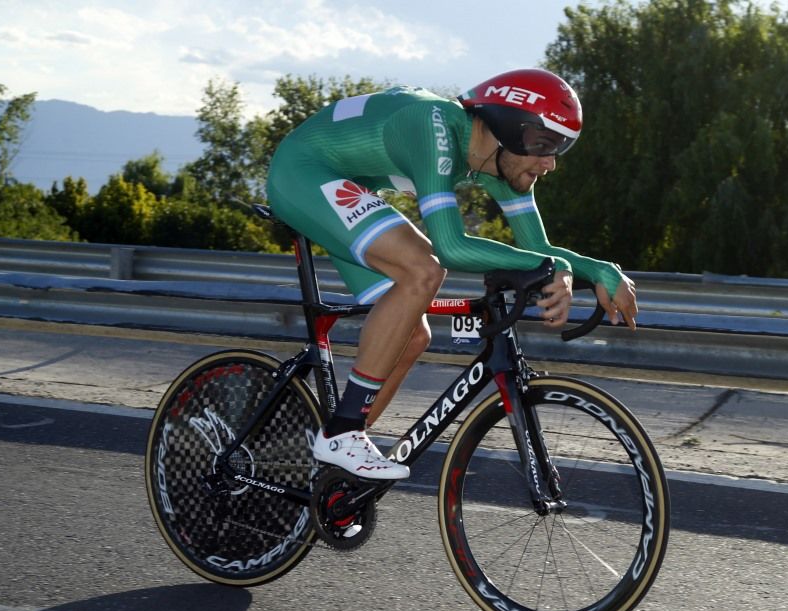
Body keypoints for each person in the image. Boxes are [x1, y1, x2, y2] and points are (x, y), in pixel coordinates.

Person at [266, 68, 638, 480]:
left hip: (344, 184)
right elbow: (449, 246)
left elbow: (538, 250)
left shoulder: (502, 165)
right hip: (303, 172)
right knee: (424, 270)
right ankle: (342, 433)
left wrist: (601, 271)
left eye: (560, 149)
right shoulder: (434, 127)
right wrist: (552, 269)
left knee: (412, 335)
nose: (550, 163)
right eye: (545, 144)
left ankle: (331, 472)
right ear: (509, 129)